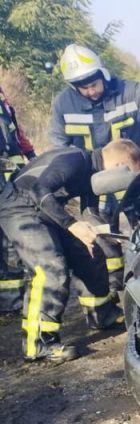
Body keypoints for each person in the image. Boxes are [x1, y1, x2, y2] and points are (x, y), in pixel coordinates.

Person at [0, 139, 140, 362]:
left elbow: (91, 211)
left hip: (43, 209)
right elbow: (40, 190)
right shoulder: (75, 159)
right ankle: (38, 343)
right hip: (20, 207)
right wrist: (72, 225)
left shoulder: (93, 175)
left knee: (90, 253)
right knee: (50, 269)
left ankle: (101, 314)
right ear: (119, 167)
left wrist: (102, 235)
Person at [48, 44, 140, 289]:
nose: (90, 91)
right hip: (92, 188)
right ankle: (113, 294)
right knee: (101, 241)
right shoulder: (63, 105)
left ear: (102, 73)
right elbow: (59, 147)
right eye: (82, 87)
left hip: (132, 183)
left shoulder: (128, 91)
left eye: (93, 84)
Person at [0, 84, 37, 313]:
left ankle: (11, 302)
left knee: (9, 244)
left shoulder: (5, 105)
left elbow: (17, 135)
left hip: (11, 183)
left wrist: (32, 156)